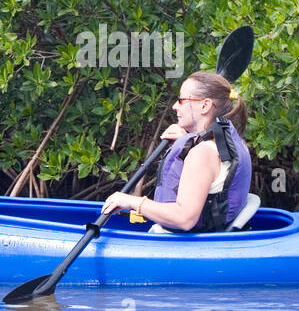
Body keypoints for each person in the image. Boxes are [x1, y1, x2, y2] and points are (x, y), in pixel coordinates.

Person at [101, 71, 252, 232]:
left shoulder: (202, 154)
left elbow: (184, 219)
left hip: (188, 247)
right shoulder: (231, 142)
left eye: (181, 100)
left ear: (205, 106)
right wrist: (186, 139)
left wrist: (131, 202)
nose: (174, 106)